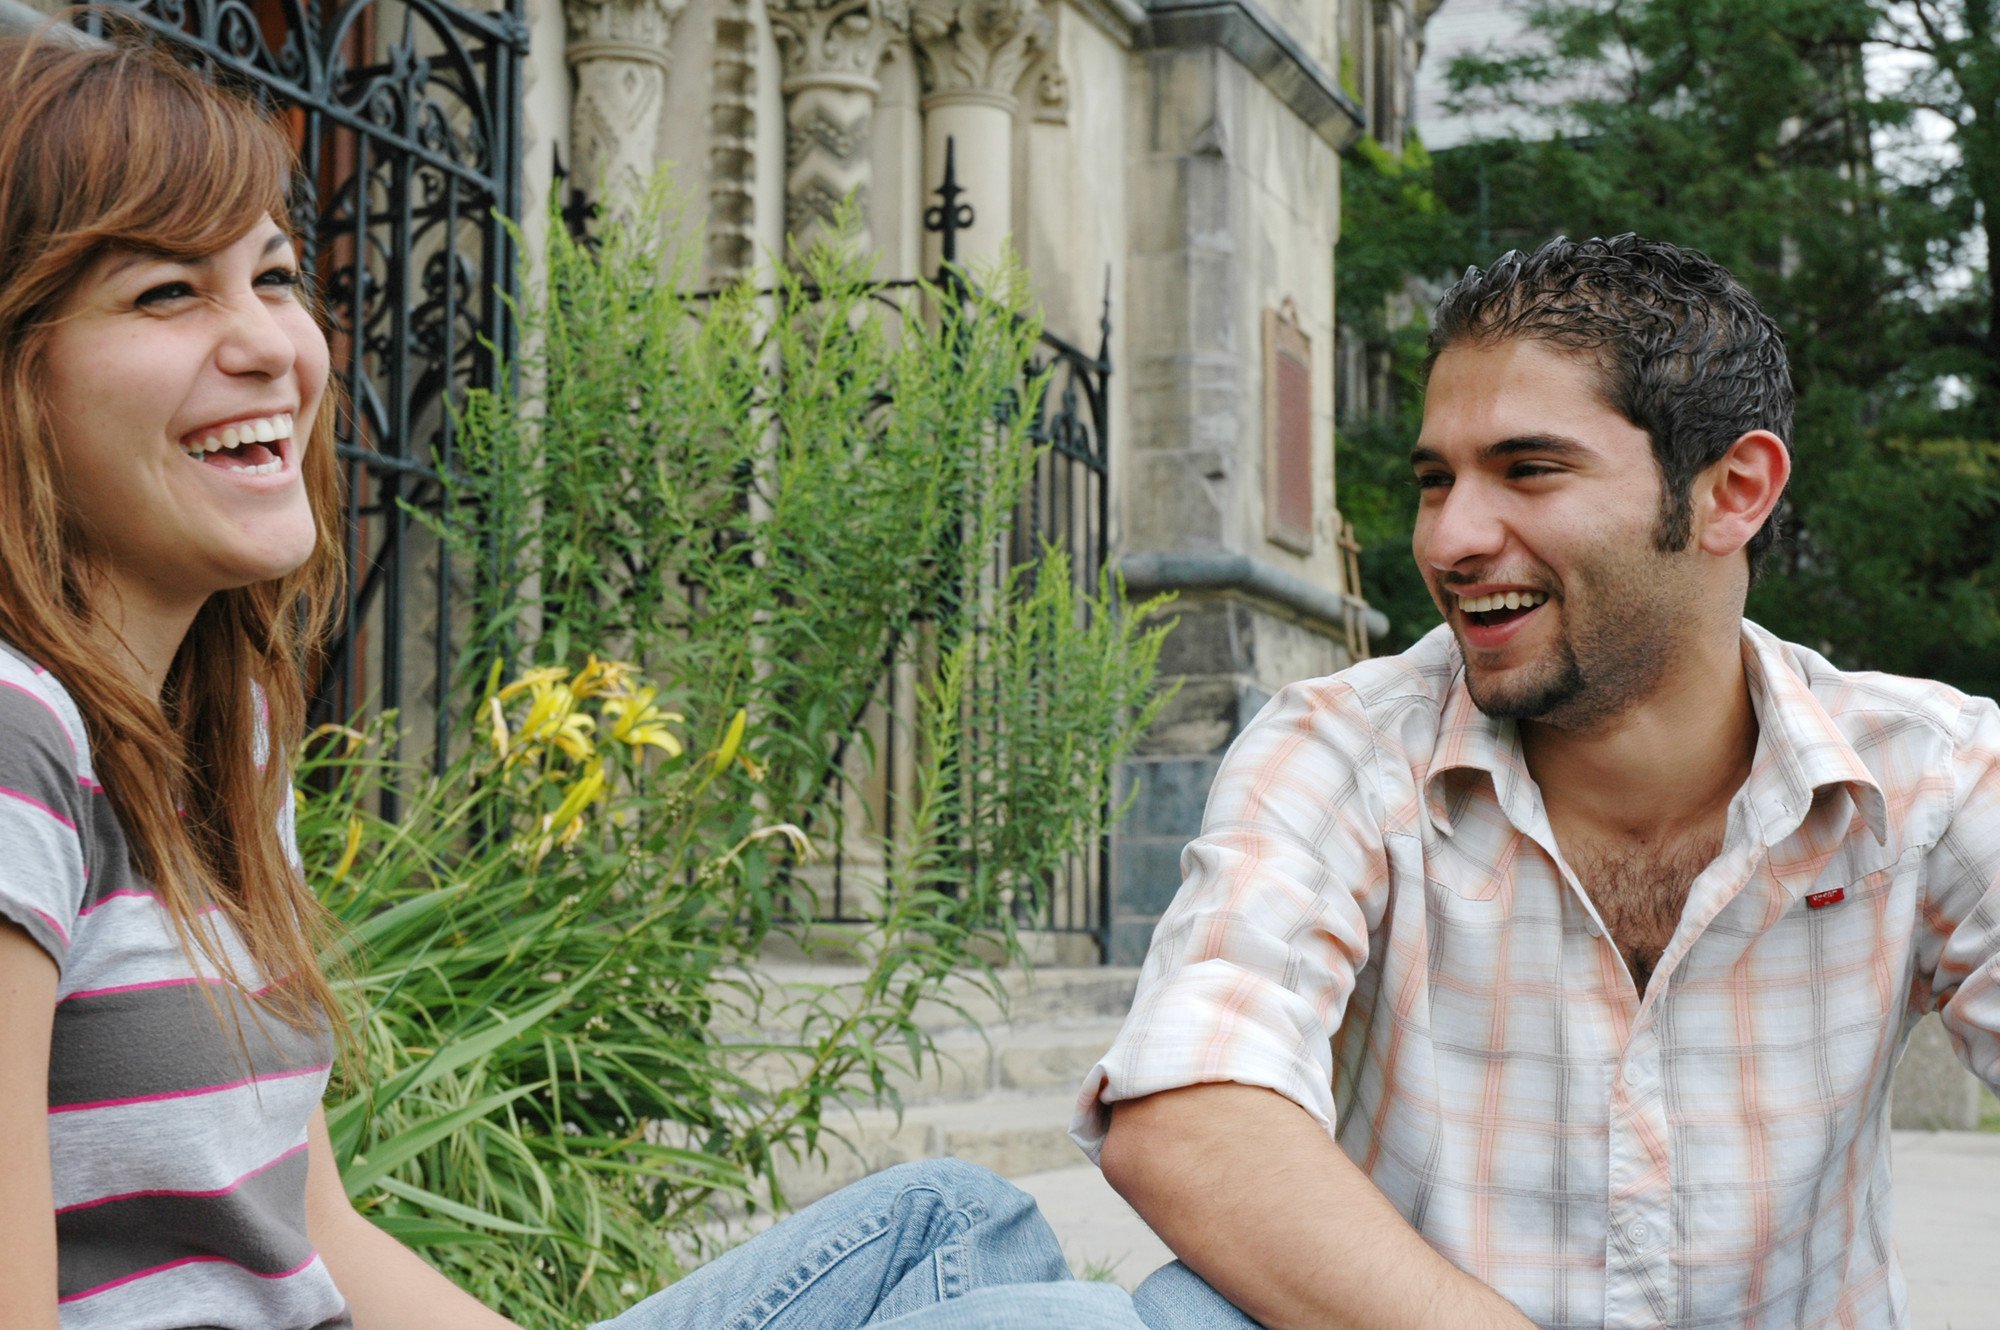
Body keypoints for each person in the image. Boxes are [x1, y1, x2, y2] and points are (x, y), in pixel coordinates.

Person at [0, 29, 1149, 1330]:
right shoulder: (18, 734)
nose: (271, 343)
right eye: (166, 293)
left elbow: (314, 1229)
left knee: (953, 1217)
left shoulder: (229, 728)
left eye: (273, 275)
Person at [1074, 234, 2000, 1330]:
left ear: (1730, 492)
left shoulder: (1927, 775)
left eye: (1527, 469)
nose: (1449, 538)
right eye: (1434, 481)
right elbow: (1189, 1110)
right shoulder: (1339, 748)